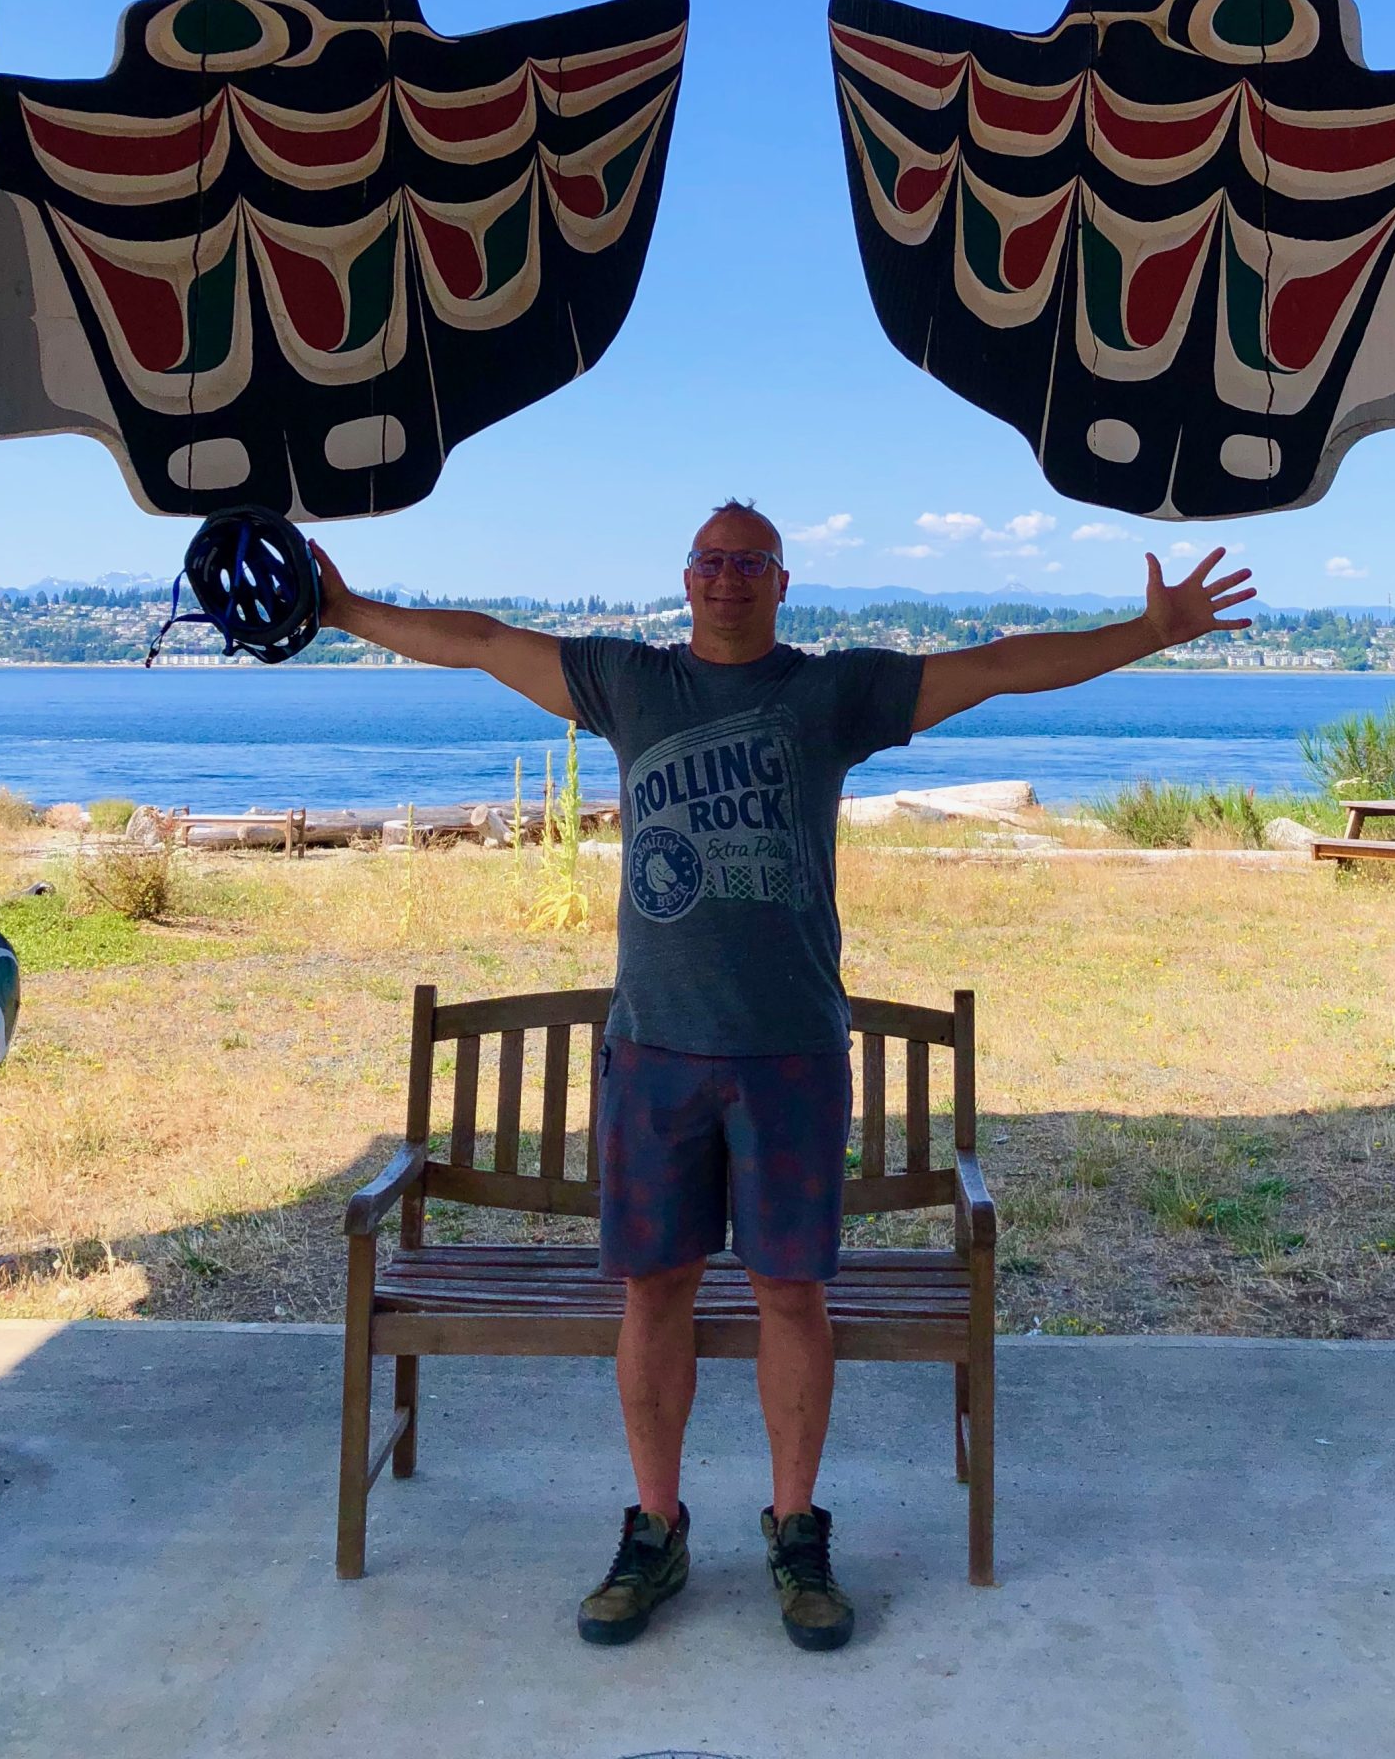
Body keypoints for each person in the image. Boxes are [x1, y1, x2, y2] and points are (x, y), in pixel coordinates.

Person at [310, 504, 1251, 1650]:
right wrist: (347, 610)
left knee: (788, 1295)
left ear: (780, 580)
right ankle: (654, 1529)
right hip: (654, 1050)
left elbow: (998, 667)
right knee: (653, 1291)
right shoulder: (626, 681)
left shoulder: (831, 694)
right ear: (685, 575)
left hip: (791, 1054)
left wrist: (1143, 633)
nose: (724, 577)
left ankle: (797, 1530)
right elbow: (478, 639)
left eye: (746, 560)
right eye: (708, 558)